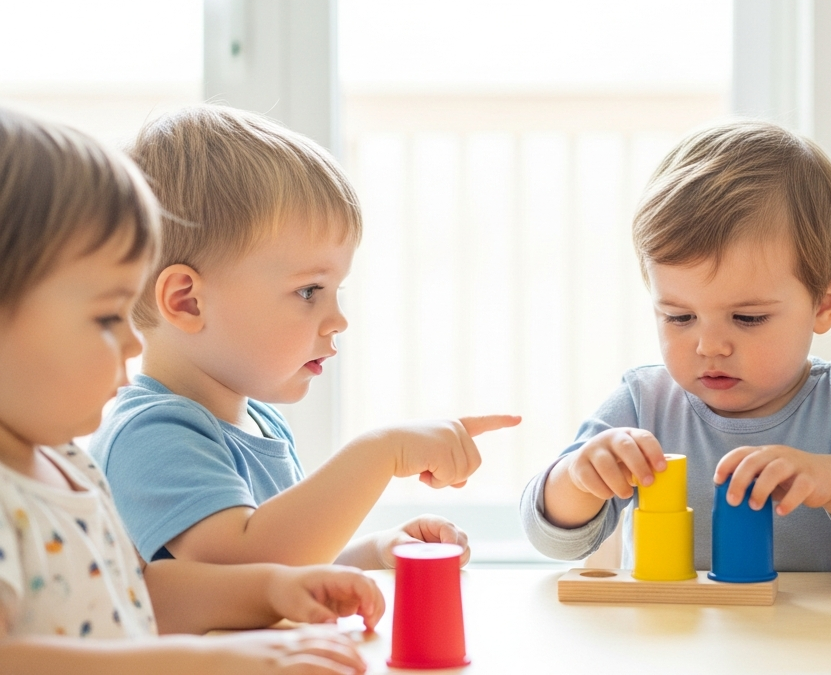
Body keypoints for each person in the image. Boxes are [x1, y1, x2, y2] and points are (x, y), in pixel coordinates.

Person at [0, 106, 381, 673]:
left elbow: (145, 594)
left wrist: (272, 589)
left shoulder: (68, 466)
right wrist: (208, 660)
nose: (133, 343)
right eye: (107, 318)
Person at [89, 105, 518, 569]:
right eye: (309, 290)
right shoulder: (151, 434)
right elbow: (244, 568)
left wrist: (373, 552)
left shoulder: (261, 422)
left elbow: (286, 571)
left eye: (336, 290)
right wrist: (380, 453)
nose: (338, 320)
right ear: (188, 302)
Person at [520, 120, 831, 571]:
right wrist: (577, 480)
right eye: (679, 317)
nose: (709, 346)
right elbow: (551, 539)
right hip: (674, 639)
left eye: (748, 318)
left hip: (823, 641)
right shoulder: (644, 404)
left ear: (824, 305)